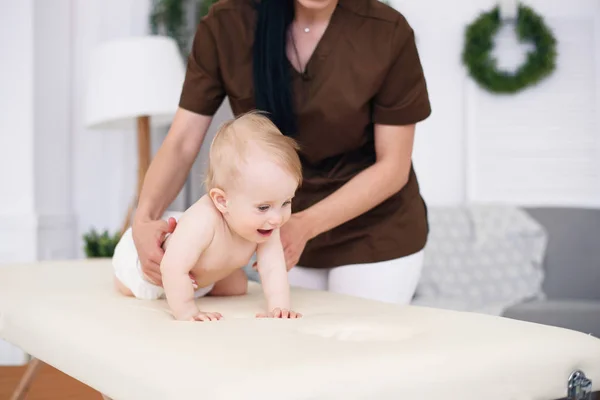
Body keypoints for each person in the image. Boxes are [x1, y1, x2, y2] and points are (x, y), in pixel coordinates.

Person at [132, 0, 432, 305]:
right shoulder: (227, 26)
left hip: (374, 234)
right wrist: (143, 220)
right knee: (286, 345)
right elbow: (182, 141)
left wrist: (304, 225)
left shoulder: (387, 31)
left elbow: (393, 167)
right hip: (277, 229)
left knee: (360, 348)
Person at [113, 111, 303, 321]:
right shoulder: (202, 220)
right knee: (133, 286)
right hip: (153, 266)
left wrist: (279, 308)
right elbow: (171, 266)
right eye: (263, 207)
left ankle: (199, 283)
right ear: (222, 201)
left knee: (237, 286)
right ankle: (123, 277)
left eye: (286, 202)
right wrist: (187, 312)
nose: (277, 218)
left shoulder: (268, 222)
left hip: (199, 277)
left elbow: (273, 267)